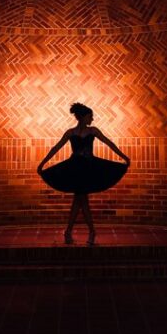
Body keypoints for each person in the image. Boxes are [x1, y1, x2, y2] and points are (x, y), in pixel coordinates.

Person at [37, 102, 130, 246]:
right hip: (75, 169)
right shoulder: (70, 133)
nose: (92, 119)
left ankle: (72, 232)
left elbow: (109, 143)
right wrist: (42, 164)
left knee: (79, 200)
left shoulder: (93, 131)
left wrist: (123, 156)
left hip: (88, 168)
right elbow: (56, 148)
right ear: (83, 117)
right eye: (90, 117)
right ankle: (88, 232)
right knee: (81, 200)